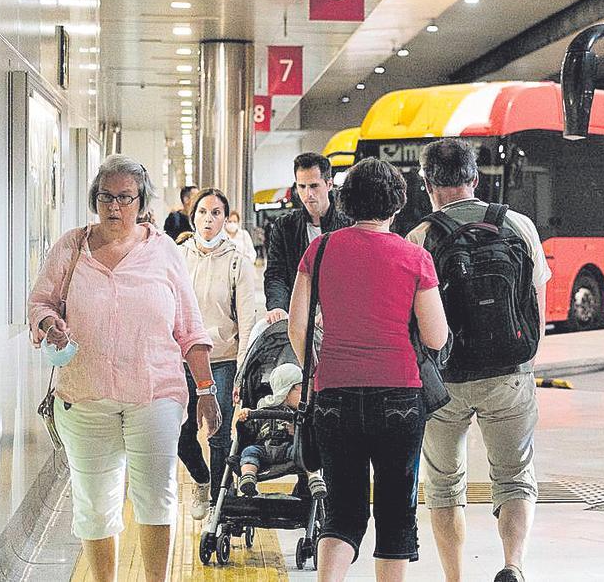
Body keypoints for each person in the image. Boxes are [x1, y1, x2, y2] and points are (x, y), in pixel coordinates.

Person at [28, 155, 221, 582]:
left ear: (142, 203)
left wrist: (206, 391)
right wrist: (48, 322)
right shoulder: (72, 246)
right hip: (84, 392)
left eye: (124, 198)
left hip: (155, 393)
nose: (114, 207)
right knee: (95, 503)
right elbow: (39, 301)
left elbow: (190, 327)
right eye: (106, 197)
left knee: (155, 495)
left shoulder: (164, 250)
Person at [288, 157, 449, 582]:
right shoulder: (415, 258)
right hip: (399, 396)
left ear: (345, 201)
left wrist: (321, 366)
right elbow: (435, 337)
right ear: (397, 204)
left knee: (342, 511)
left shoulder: (319, 250)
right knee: (396, 511)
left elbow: (296, 325)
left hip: (334, 394)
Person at [407, 139, 551, 582]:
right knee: (514, 475)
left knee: (445, 485)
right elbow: (537, 306)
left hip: (444, 379)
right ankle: (513, 566)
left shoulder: (419, 238)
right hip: (509, 371)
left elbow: (412, 323)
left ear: (427, 183)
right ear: (475, 178)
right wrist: (523, 362)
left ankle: (454, 578)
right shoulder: (519, 225)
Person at [176, 188, 258, 521]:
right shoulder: (179, 256)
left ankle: (217, 504)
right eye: (202, 213)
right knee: (181, 433)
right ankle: (200, 478)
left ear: (226, 218)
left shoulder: (238, 260)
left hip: (222, 358)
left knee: (219, 432)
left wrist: (241, 370)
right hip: (182, 359)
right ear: (192, 216)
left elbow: (248, 318)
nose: (208, 219)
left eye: (216, 213)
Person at [264, 153, 352, 325]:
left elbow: (354, 277)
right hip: (297, 313)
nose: (307, 194)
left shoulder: (349, 224)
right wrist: (277, 306)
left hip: (341, 316)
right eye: (302, 186)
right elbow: (276, 274)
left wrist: (334, 310)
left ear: (329, 184)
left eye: (314, 186)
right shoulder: (284, 226)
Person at [234, 362, 326, 499]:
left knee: (307, 453)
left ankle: (314, 478)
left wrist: (297, 432)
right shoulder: (263, 409)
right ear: (286, 389)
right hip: (263, 448)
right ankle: (248, 477)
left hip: (289, 449)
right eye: (302, 387)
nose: (307, 393)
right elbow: (249, 432)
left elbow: (310, 437)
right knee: (249, 451)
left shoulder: (301, 415)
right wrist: (245, 417)